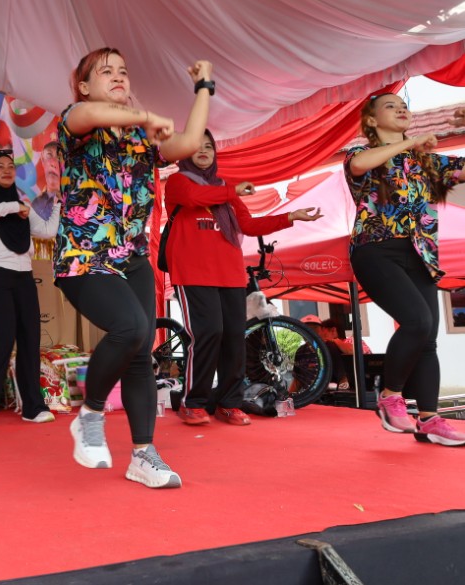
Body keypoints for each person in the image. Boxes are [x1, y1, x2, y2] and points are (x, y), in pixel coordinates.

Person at [55, 47, 211, 489]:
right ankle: (90, 414)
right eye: (106, 72)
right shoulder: (76, 122)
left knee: (141, 350)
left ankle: (143, 454)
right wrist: (144, 115)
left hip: (133, 258)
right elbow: (88, 114)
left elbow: (189, 143)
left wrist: (203, 87)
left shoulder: (140, 141)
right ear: (84, 86)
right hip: (85, 257)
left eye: (123, 71)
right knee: (130, 328)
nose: (118, 76)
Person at [165, 130, 322, 426]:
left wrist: (290, 217)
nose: (204, 151)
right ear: (184, 152)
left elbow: (248, 225)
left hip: (231, 274)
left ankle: (229, 403)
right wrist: (232, 190)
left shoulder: (224, 188)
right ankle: (193, 402)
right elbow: (194, 197)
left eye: (209, 146)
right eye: (196, 147)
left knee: (234, 339)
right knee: (208, 332)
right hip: (193, 272)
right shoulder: (178, 182)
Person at [344, 93, 465, 446]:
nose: (401, 109)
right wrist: (411, 142)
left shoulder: (427, 162)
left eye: (404, 105)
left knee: (427, 339)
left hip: (421, 254)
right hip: (376, 249)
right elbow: (360, 165)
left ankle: (429, 420)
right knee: (417, 322)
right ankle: (390, 395)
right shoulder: (359, 153)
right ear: (371, 121)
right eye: (390, 105)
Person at [0, 150, 60, 422]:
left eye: (10, 166)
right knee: (3, 333)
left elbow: (46, 231)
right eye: (0, 167)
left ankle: (33, 407)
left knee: (30, 337)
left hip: (23, 274)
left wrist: (58, 203)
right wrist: (14, 207)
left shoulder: (22, 205)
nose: (6, 170)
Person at [31, 141, 61, 221]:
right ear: (42, 160)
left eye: (59, 158)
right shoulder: (35, 207)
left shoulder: (77, 203)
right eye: (49, 155)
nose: (53, 163)